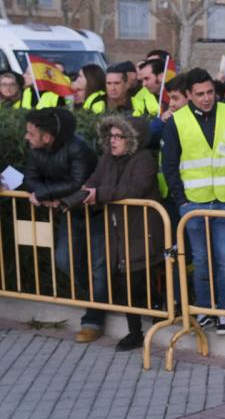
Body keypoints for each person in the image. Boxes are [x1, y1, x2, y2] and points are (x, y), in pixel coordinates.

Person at [160, 68, 225, 335]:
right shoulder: (176, 122)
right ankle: (204, 308)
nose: (206, 98)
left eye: (210, 92)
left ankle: (224, 312)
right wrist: (182, 201)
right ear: (188, 95)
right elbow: (169, 166)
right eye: (199, 94)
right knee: (200, 259)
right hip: (194, 204)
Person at [71, 115, 165, 351]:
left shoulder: (144, 159)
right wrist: (86, 191)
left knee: (138, 277)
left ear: (131, 139)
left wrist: (99, 193)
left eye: (118, 137)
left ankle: (158, 313)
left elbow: (134, 189)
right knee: (123, 280)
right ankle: (135, 332)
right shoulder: (106, 159)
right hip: (116, 230)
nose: (112, 141)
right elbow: (94, 181)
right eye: (110, 136)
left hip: (141, 229)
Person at [22, 108, 98, 297]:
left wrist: (44, 194)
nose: (26, 137)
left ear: (47, 137)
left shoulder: (79, 148)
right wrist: (46, 195)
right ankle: (90, 297)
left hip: (96, 212)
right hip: (70, 212)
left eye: (31, 133)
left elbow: (78, 183)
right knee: (64, 260)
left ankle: (103, 302)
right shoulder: (35, 149)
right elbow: (30, 178)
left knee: (100, 263)